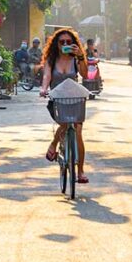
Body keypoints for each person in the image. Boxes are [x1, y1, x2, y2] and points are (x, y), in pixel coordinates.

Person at [40, 28, 90, 183]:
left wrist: (81, 56)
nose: (66, 44)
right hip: (58, 100)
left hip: (75, 99)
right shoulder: (51, 60)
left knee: (78, 131)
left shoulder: (76, 59)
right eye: (62, 42)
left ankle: (80, 171)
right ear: (56, 44)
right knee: (65, 123)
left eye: (69, 42)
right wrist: (43, 88)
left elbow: (85, 74)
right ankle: (54, 143)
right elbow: (47, 75)